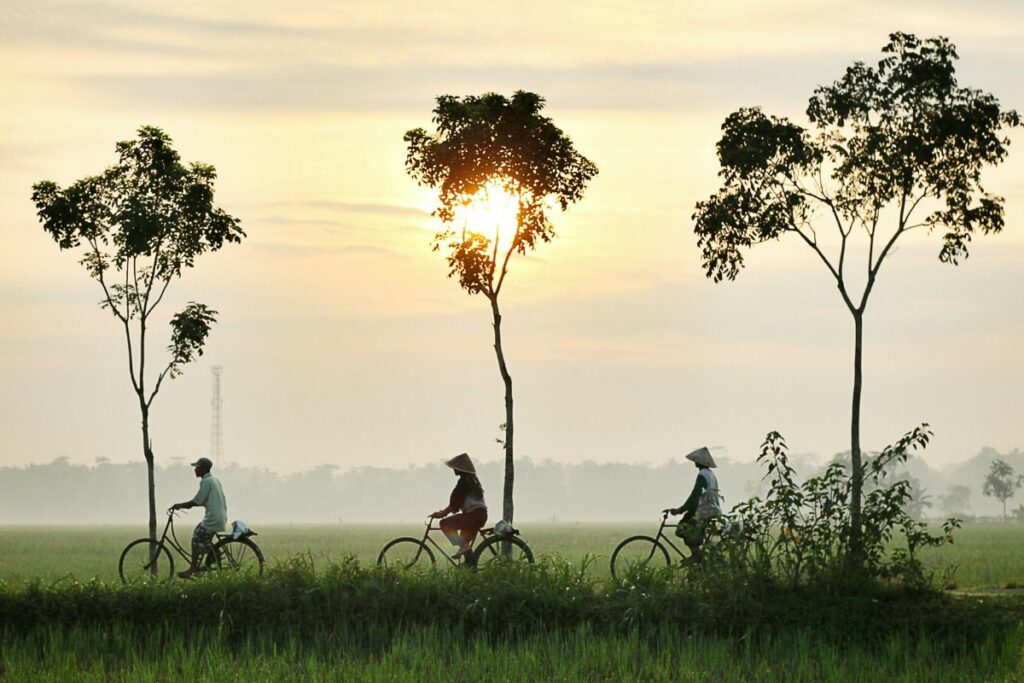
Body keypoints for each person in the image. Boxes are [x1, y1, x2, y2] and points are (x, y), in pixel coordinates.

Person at [169, 457, 227, 579]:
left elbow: (196, 501)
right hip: (219, 516)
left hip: (213, 518)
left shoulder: (206, 482)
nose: (195, 470)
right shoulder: (214, 480)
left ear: (204, 469)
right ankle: (214, 553)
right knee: (203, 537)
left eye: (197, 467)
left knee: (196, 537)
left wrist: (179, 506)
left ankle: (193, 567)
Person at [668, 446, 721, 563]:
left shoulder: (702, 474)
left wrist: (680, 510)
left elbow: (695, 496)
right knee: (690, 523)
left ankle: (696, 554)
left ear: (699, 462)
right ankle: (699, 560)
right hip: (713, 509)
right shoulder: (710, 474)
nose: (695, 463)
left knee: (683, 527)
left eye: (696, 461)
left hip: (706, 510)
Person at [430, 453, 488, 560]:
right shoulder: (472, 480)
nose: (454, 470)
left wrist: (442, 513)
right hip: (479, 515)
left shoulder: (465, 482)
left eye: (455, 467)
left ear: (461, 468)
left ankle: (464, 547)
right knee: (465, 546)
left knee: (445, 523)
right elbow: (457, 502)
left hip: (473, 516)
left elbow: (456, 502)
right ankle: (470, 569)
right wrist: (444, 512)